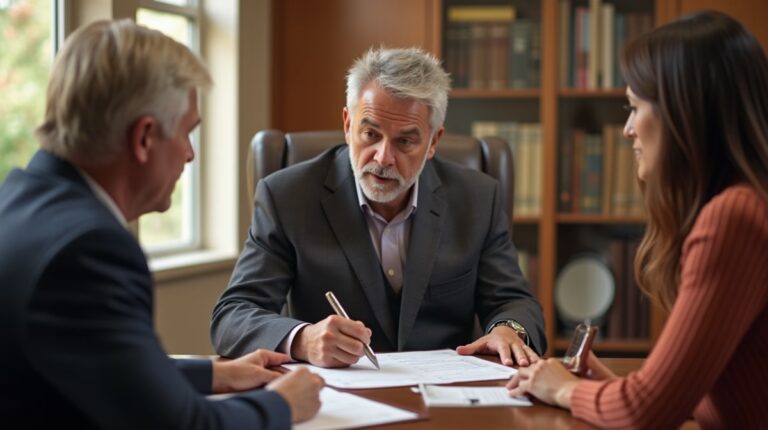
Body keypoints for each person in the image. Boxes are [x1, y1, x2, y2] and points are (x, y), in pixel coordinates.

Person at [0, 19, 323, 429]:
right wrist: (284, 405)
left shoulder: (19, 200)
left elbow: (108, 368)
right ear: (145, 138)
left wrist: (215, 374)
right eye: (188, 132)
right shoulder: (88, 249)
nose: (190, 154)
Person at [507, 10, 768, 429]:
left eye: (634, 108)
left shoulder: (732, 217)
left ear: (685, 114)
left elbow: (645, 413)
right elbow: (706, 396)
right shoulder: (747, 204)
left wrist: (560, 387)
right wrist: (610, 391)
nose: (627, 130)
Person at [211, 47, 546, 369]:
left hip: (445, 400)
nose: (383, 157)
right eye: (370, 134)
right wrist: (303, 339)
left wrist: (509, 330)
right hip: (333, 400)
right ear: (347, 124)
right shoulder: (287, 197)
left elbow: (513, 302)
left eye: (405, 141)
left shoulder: (477, 199)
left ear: (433, 142)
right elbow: (233, 314)